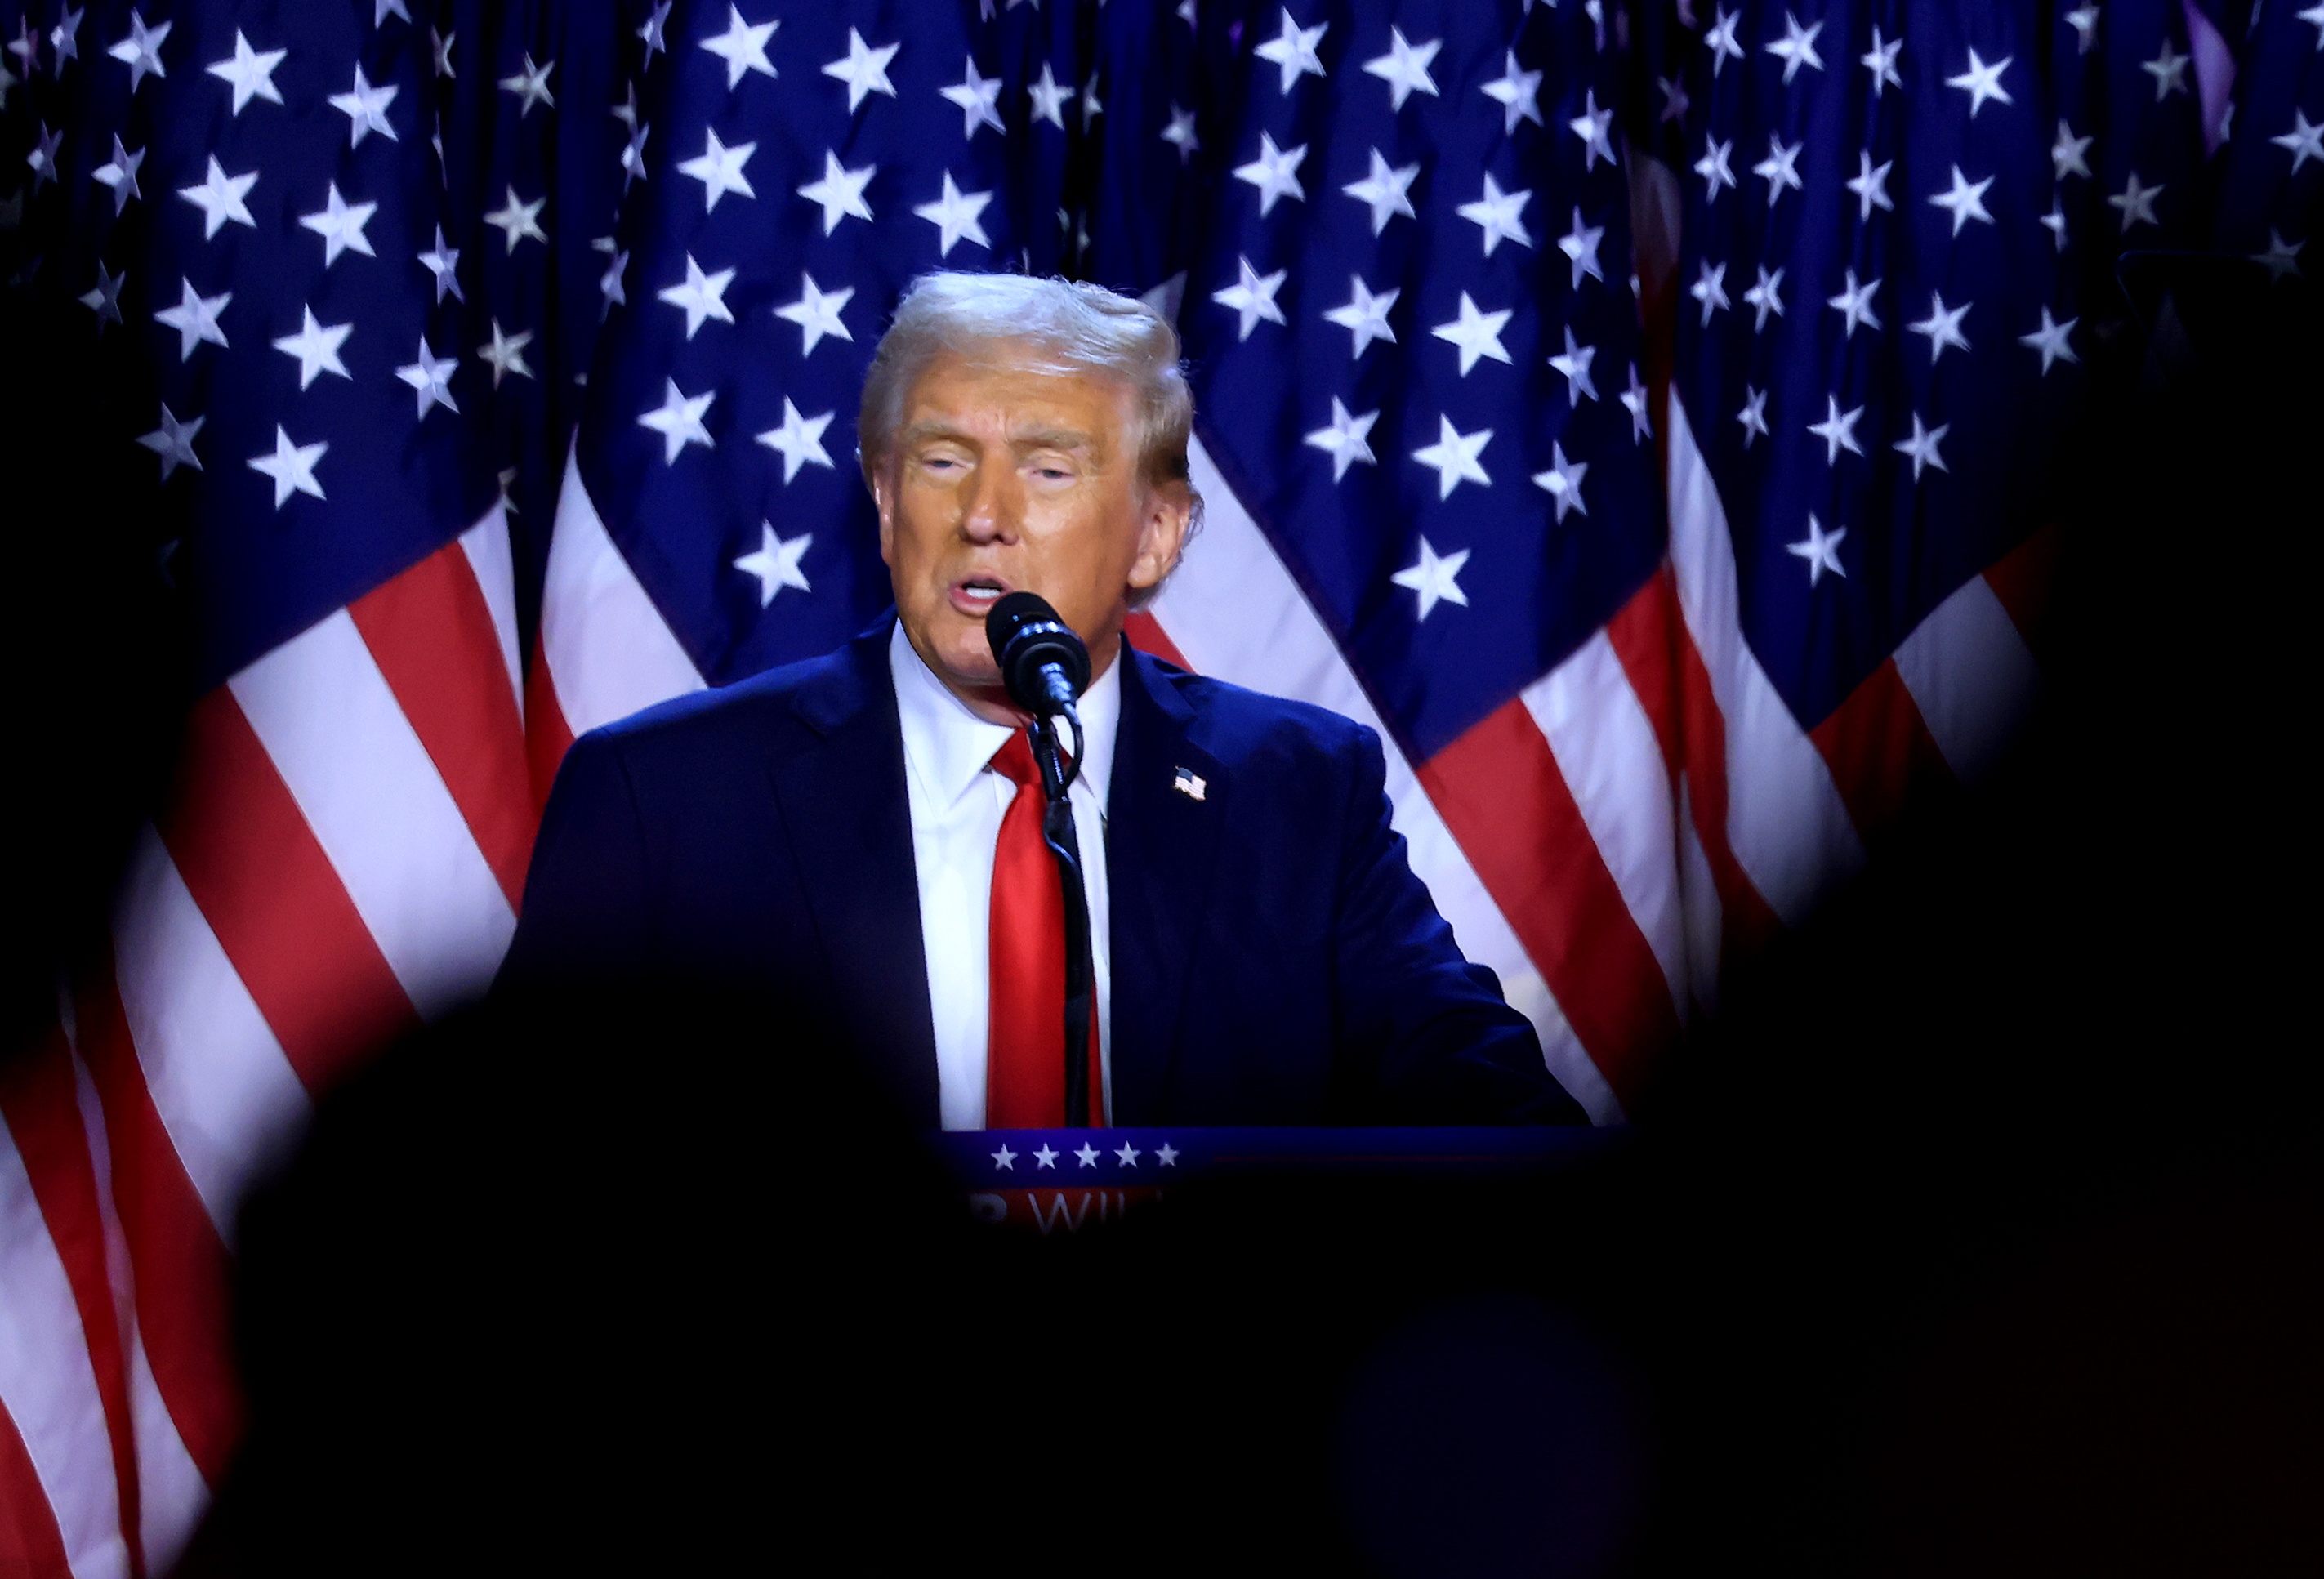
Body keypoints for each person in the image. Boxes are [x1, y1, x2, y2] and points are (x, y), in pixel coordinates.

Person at [502, 272, 1581, 1130]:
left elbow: (1493, 1123)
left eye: (1049, 471)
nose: (984, 515)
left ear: (1156, 534)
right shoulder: (666, 798)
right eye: (939, 461)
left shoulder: (1295, 792)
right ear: (883, 504)